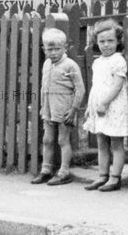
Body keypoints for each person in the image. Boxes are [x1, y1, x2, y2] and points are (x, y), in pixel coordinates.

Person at [31, 28, 85, 185]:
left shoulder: (70, 65)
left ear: (65, 48)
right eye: (50, 49)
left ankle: (64, 172)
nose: (53, 53)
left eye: (57, 49)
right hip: (48, 109)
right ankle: (46, 170)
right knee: (47, 140)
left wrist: (74, 109)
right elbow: (44, 87)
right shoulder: (47, 64)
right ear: (44, 49)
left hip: (64, 109)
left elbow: (80, 89)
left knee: (63, 140)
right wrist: (43, 107)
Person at [82, 19, 128, 192]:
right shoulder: (97, 62)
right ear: (96, 42)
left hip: (113, 107)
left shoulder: (118, 61)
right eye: (102, 41)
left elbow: (117, 85)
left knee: (116, 143)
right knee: (101, 143)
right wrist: (90, 107)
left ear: (118, 41)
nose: (106, 45)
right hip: (99, 107)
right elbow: (95, 87)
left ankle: (115, 178)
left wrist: (105, 103)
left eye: (110, 41)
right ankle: (102, 176)